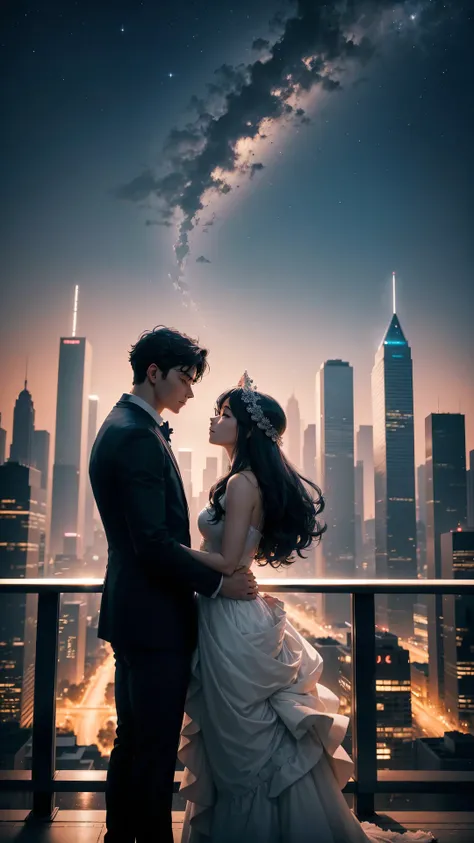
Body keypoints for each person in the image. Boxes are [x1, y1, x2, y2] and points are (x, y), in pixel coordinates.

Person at [177, 372, 434, 843]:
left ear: (248, 429)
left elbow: (230, 561)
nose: (214, 420)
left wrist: (165, 550)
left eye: (225, 414)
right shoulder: (242, 480)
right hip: (231, 615)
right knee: (246, 741)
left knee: (243, 746)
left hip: (231, 622)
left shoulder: (240, 484)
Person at [89, 329, 258, 843]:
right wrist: (217, 585)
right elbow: (153, 543)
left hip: (136, 612)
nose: (190, 392)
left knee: (135, 742)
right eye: (186, 378)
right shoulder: (138, 436)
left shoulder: (121, 426)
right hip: (153, 617)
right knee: (154, 749)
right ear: (155, 372)